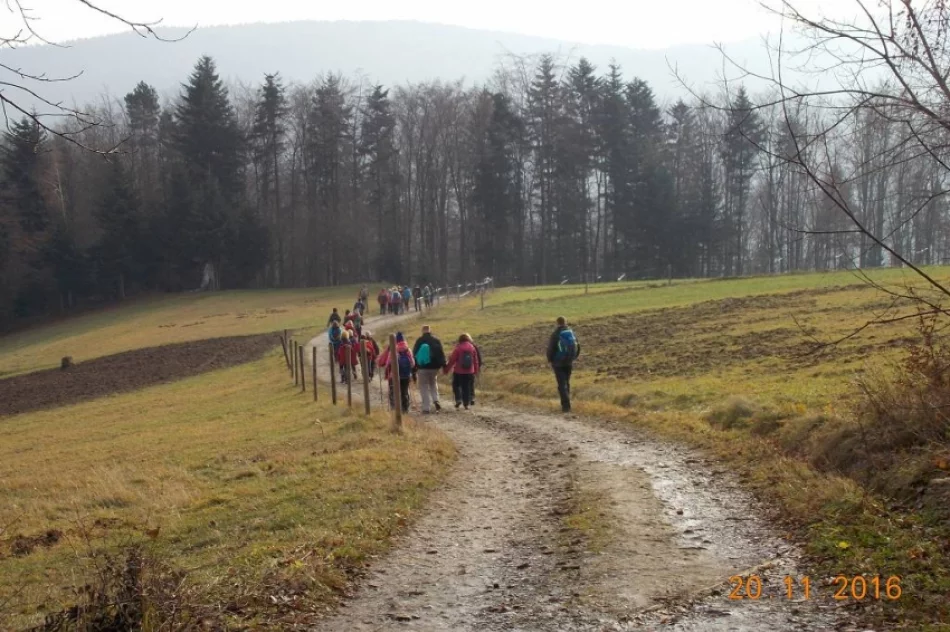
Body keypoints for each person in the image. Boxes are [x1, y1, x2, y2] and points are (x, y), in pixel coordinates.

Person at [546, 316, 581, 413]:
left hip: (558, 363)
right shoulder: (571, 332)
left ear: (557, 323)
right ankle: (567, 403)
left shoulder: (556, 334)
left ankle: (566, 407)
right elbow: (578, 346)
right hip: (569, 361)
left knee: (561, 384)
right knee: (567, 382)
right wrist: (573, 357)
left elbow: (551, 348)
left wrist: (550, 359)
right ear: (566, 322)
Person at [412, 325, 447, 414]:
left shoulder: (419, 341)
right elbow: (441, 353)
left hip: (422, 368)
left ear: (422, 331)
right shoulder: (436, 340)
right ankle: (436, 400)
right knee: (433, 383)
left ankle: (426, 408)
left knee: (423, 386)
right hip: (435, 367)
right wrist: (444, 365)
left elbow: (414, 354)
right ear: (430, 330)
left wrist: (414, 368)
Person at [379, 331, 414, 412]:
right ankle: (405, 409)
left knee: (393, 392)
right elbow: (412, 363)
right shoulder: (408, 350)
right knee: (404, 391)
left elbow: (388, 363)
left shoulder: (393, 350)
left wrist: (387, 369)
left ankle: (394, 408)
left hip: (394, 375)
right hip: (406, 375)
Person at [445, 333, 479, 410]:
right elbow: (475, 360)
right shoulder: (472, 348)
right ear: (468, 339)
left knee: (456, 385)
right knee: (466, 387)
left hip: (458, 371)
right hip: (470, 371)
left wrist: (446, 369)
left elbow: (452, 360)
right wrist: (476, 371)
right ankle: (466, 404)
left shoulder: (458, 348)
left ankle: (458, 399)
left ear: (460, 339)